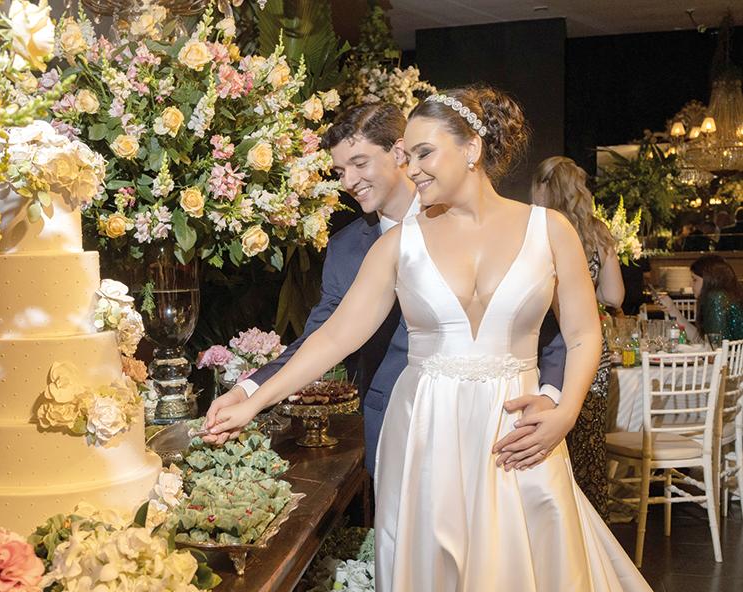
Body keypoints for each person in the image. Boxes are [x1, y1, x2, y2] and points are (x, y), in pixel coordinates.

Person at [208, 86, 743, 592]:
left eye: (422, 153)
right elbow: (335, 336)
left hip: (518, 430)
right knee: (436, 577)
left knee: (527, 575)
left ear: (472, 149)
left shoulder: (551, 230)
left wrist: (562, 411)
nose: (409, 169)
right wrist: (252, 395)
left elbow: (586, 335)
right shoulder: (397, 246)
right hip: (425, 433)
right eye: (405, 156)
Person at [205, 102, 569, 479]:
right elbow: (326, 336)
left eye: (359, 163)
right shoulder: (347, 248)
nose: (348, 181)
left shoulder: (498, 222)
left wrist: (553, 398)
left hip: (505, 420)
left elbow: (551, 326)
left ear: (398, 152)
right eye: (340, 171)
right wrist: (250, 393)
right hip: (400, 423)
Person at [531, 156, 624, 519]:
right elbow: (614, 297)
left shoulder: (536, 229)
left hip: (547, 350)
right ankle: (591, 528)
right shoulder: (596, 232)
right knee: (587, 445)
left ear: (542, 186)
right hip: (591, 353)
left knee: (548, 447)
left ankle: (552, 524)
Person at [658, 254, 743, 342]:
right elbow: (701, 340)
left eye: (695, 280)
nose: (690, 284)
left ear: (709, 280)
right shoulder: (726, 295)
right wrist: (672, 309)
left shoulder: (716, 298)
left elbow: (715, 347)